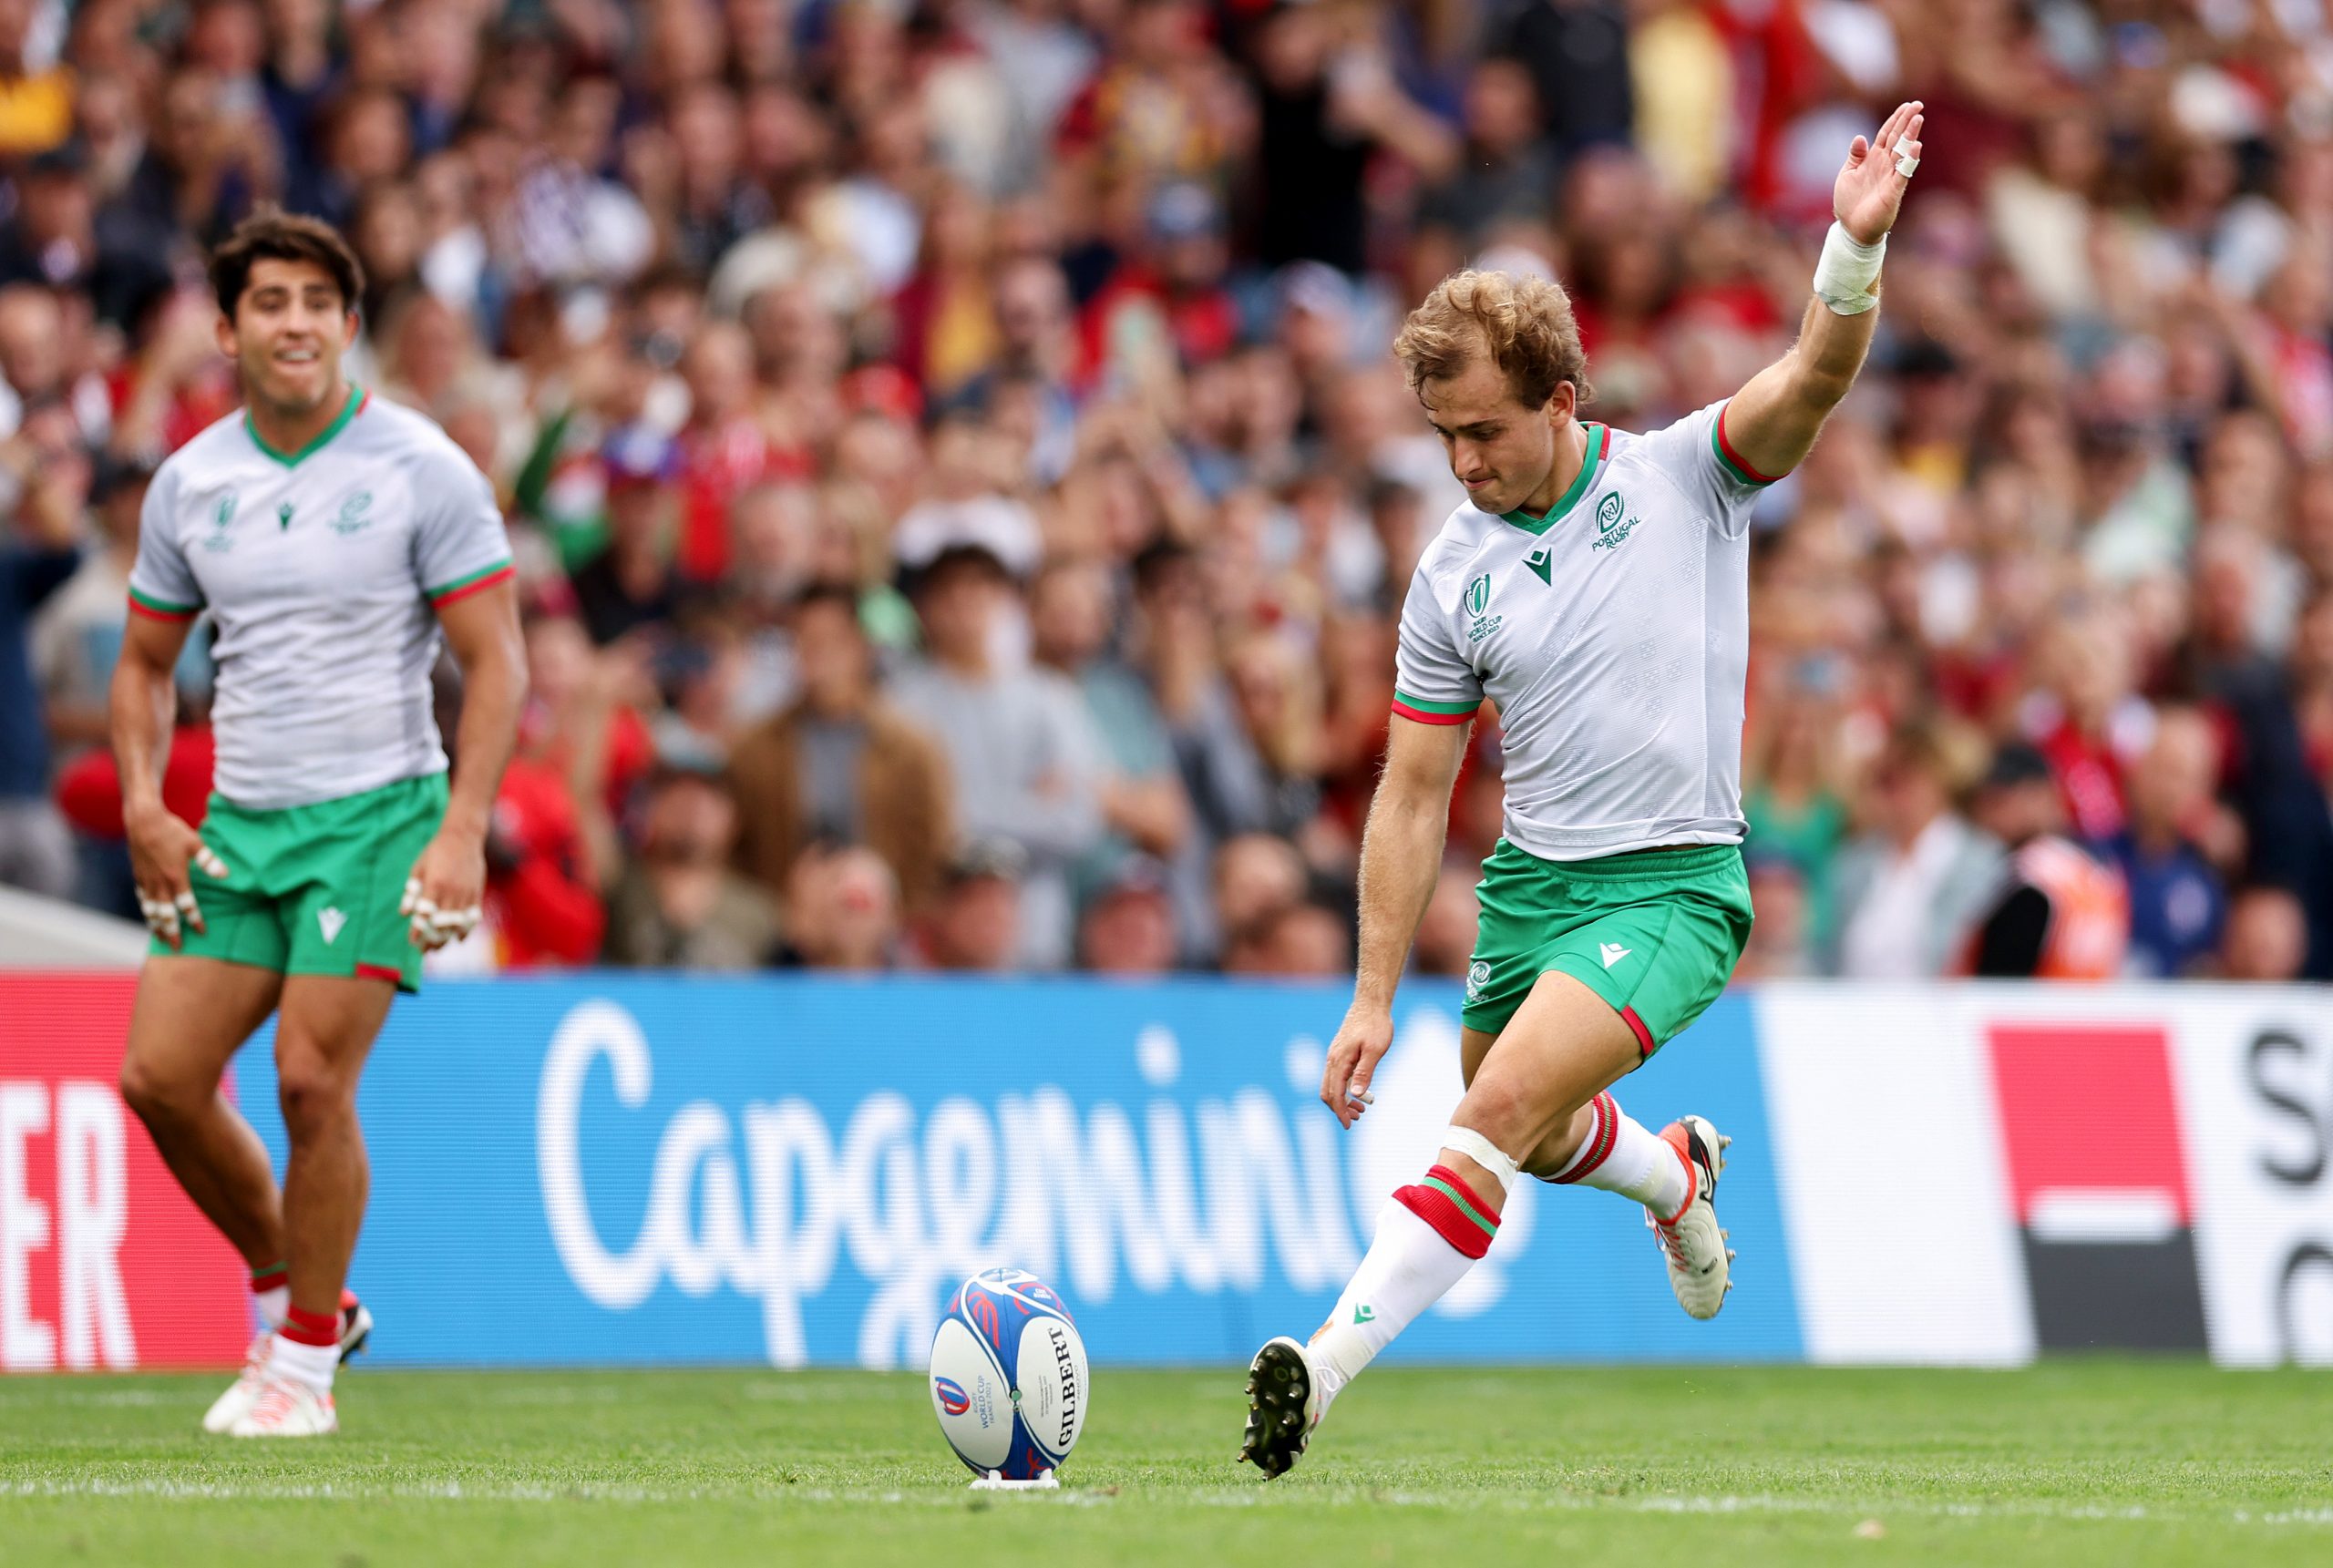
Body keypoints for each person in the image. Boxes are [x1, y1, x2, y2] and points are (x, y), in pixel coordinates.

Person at [1238, 104, 1929, 1477]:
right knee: (1537, 1126)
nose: (1465, 463)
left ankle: (1318, 1369)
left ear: (1562, 400)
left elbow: (1810, 379)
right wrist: (1375, 992)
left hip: (1675, 883)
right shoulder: (1451, 571)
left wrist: (1850, 254)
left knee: (1485, 1120)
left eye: (1485, 430)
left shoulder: (1686, 478)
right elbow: (1411, 789)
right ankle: (1675, 1176)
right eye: (1442, 436)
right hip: (1534, 892)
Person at [108, 209, 526, 1439]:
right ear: (227, 332)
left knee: (305, 1077)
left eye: (316, 303)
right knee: (161, 1080)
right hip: (241, 824)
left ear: (349, 325)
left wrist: (462, 828)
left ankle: (296, 1365)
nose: (295, 323)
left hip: (376, 815)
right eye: (268, 303)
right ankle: (314, 1296)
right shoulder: (193, 481)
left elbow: (495, 660)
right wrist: (144, 803)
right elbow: (142, 667)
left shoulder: (421, 464)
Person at [1961, 742, 2129, 979]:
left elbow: (1998, 985)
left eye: (1999, 801)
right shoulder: (2101, 869)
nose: (1988, 817)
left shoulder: (2032, 876)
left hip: (2033, 1012)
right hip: (2089, 1012)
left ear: (2045, 795)